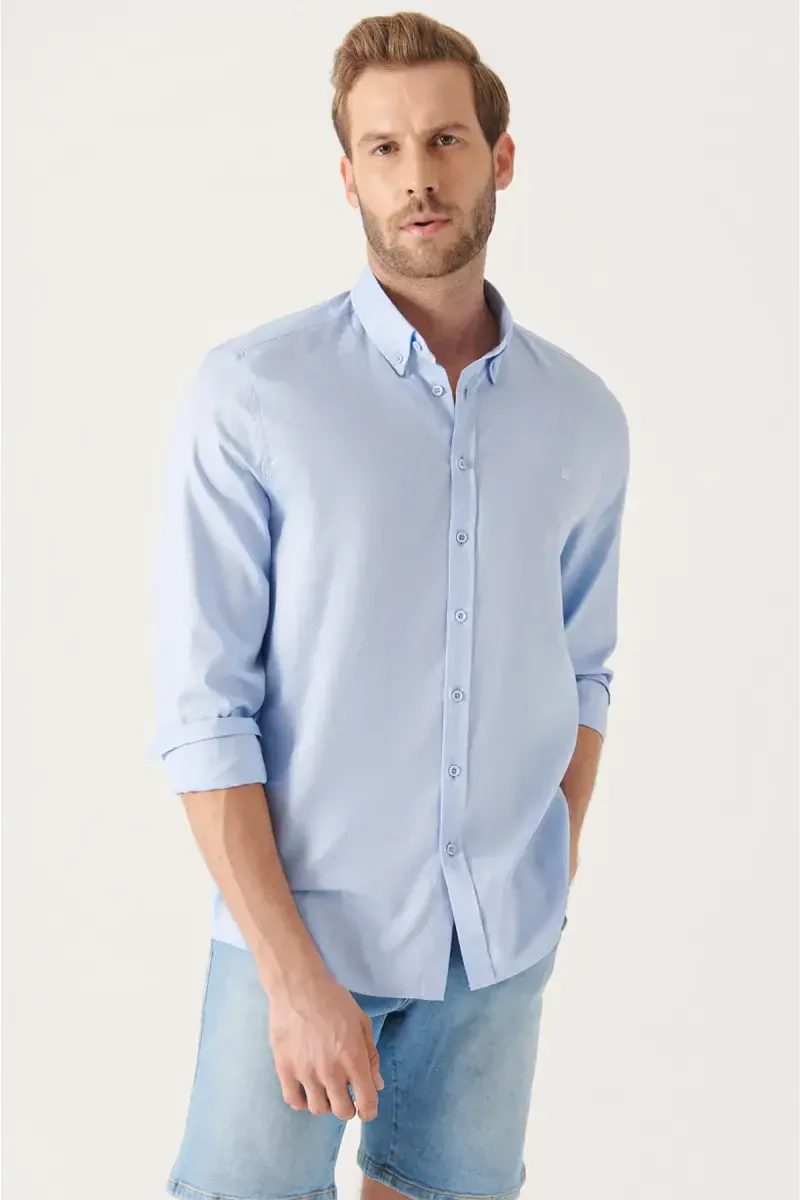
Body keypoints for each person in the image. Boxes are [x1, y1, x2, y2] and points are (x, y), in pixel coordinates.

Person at [149, 11, 630, 1200]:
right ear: (348, 176)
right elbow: (205, 714)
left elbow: (581, 670)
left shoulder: (581, 416)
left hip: (497, 948)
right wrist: (289, 976)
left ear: (499, 158)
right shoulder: (252, 396)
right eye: (383, 148)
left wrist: (546, 874)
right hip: (300, 937)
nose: (417, 175)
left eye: (445, 140)